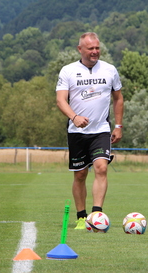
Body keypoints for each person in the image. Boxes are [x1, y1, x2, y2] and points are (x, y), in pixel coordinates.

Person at [56, 32, 124, 229]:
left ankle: (97, 216)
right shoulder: (68, 71)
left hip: (101, 130)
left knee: (102, 168)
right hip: (76, 132)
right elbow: (61, 100)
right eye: (90, 49)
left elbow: (118, 98)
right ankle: (80, 217)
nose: (95, 52)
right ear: (80, 49)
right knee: (80, 175)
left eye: (97, 48)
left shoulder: (110, 70)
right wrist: (74, 117)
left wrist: (118, 126)